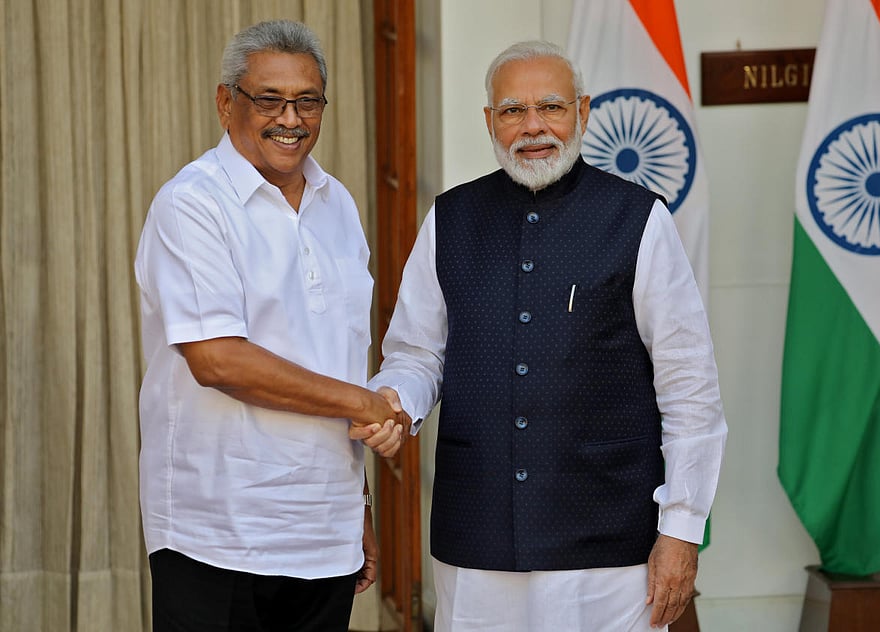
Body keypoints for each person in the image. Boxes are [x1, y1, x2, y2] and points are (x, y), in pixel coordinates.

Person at [364, 40, 727, 631]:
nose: (533, 127)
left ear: (582, 112)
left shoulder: (638, 219)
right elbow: (417, 351)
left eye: (551, 107)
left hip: (608, 544)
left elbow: (689, 386)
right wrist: (396, 401)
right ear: (489, 121)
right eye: (512, 111)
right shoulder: (449, 219)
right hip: (476, 540)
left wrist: (682, 529)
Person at [135, 20, 409, 632]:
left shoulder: (337, 203)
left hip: (322, 534)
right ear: (225, 101)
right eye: (270, 100)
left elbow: (335, 356)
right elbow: (219, 361)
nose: (291, 118)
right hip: (216, 535)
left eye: (307, 101)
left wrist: (353, 503)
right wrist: (363, 402)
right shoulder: (192, 203)